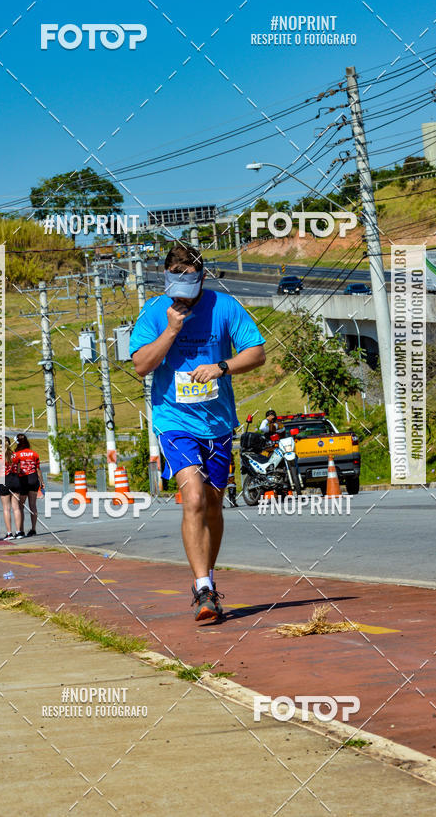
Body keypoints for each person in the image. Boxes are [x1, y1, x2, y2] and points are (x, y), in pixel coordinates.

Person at [130, 243, 266, 622]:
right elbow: (141, 364)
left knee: (213, 504)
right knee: (192, 498)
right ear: (166, 279)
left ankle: (208, 575)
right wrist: (172, 330)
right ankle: (203, 587)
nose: (183, 291)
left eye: (189, 281)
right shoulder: (155, 311)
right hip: (174, 422)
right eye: (176, 282)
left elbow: (256, 353)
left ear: (202, 277)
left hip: (217, 423)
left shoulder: (225, 307)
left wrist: (221, 367)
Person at [12, 434, 44, 537]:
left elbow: (16, 469)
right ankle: (33, 529)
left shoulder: (17, 454)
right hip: (33, 479)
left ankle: (20, 530)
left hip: (23, 479)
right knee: (33, 505)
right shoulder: (34, 454)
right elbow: (38, 469)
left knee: (20, 506)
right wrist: (42, 481)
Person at [0, 436, 24, 540]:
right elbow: (19, 469)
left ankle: (9, 533)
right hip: (15, 479)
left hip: (4, 480)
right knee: (16, 508)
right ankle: (19, 532)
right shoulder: (15, 455)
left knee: (6, 508)